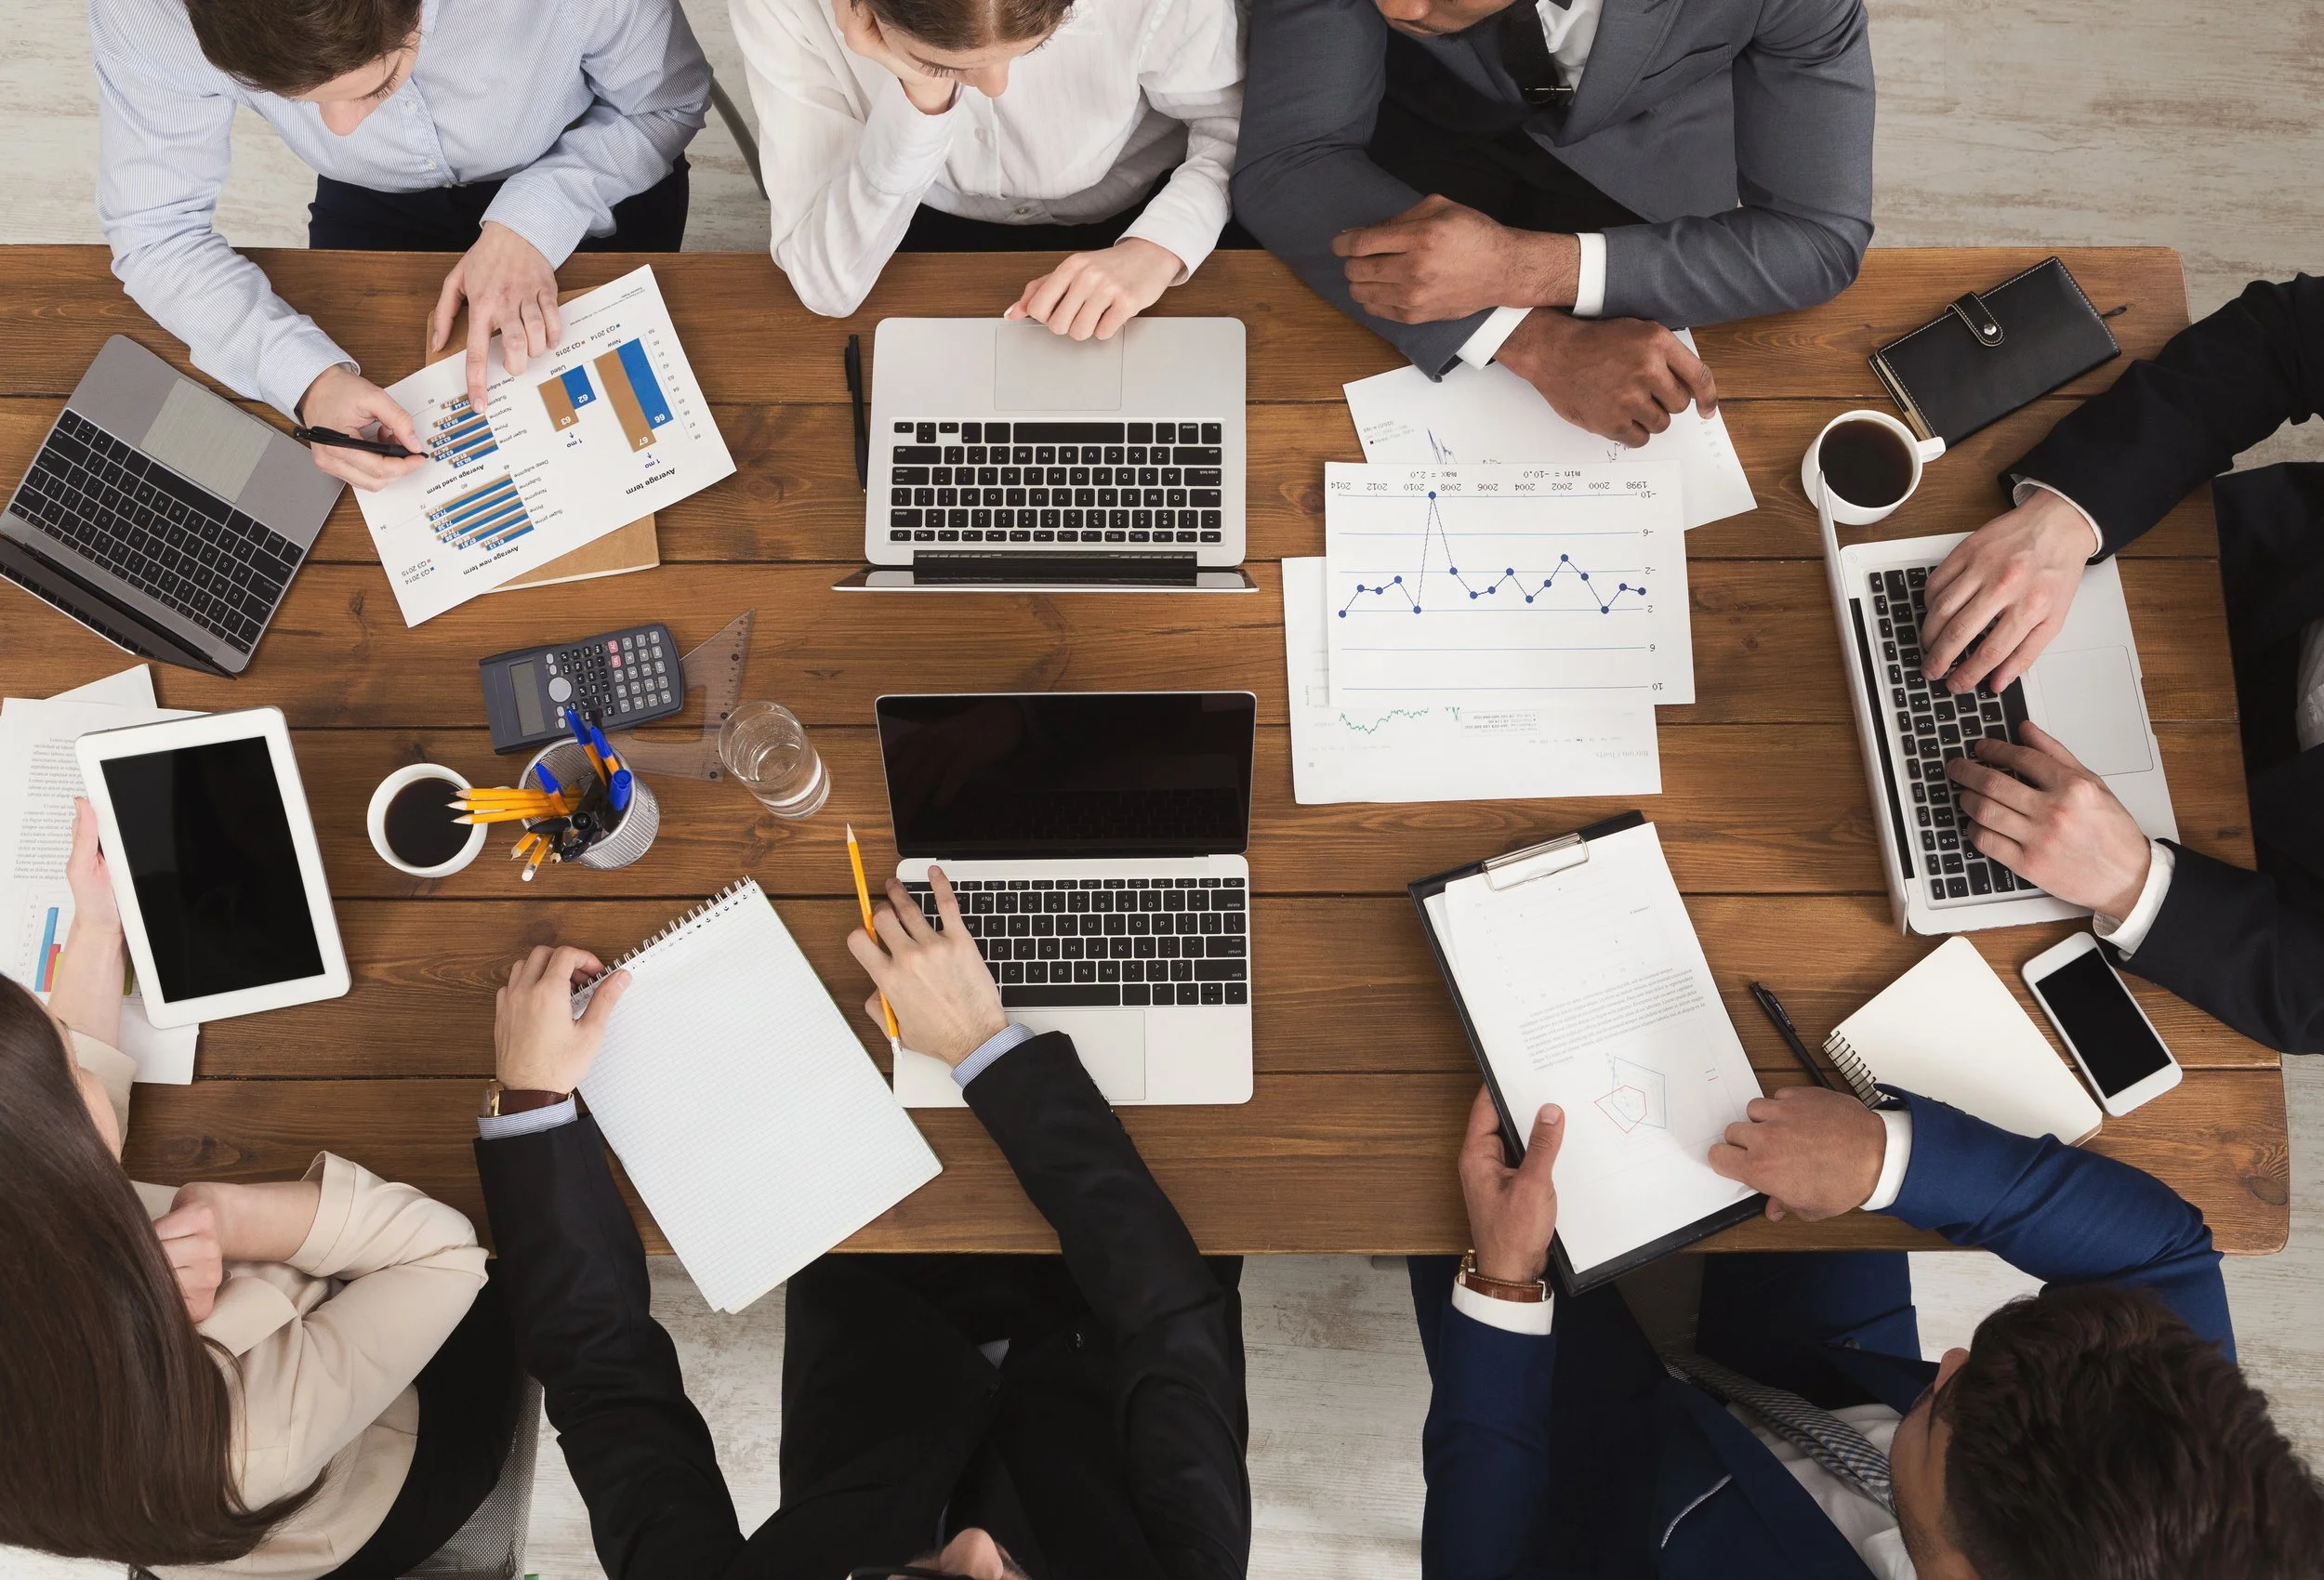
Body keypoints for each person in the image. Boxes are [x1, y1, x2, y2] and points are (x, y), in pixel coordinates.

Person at [471, 864, 1250, 1576]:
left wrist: (532, 1101)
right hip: (1111, 1287)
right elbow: (1172, 1320)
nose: (975, 1547)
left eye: (922, 1578)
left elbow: (603, 1380)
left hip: (865, 1255)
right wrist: (984, 1047)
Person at [1411, 1083, 2324, 1577]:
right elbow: (2162, 1255)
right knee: (1768, 1082)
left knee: (1429, 1152)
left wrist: (1502, 1284)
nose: (1950, 1354)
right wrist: (1885, 1160)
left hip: (1609, 1492)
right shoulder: (2212, 1514)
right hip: (1822, 1373)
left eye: (1949, 1398)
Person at [0, 803, 511, 1579]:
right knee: (509, 1272)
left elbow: (53, 1106)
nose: (73, 1048)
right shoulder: (240, 1439)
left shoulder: (27, 1244)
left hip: (207, 1445)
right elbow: (445, 1253)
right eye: (66, 1067)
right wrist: (224, 1214)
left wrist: (98, 924)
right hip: (379, 1464)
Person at [1916, 276, 2324, 1054]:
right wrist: (2071, 511)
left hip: (2250, 863)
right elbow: (2286, 337)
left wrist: (2137, 888)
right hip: (2224, 571)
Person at [94, 0, 710, 489]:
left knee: (631, 457)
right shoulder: (150, 9)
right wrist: (304, 380)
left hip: (590, 159)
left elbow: (667, 105)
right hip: (375, 203)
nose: (338, 128)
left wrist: (534, 219)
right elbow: (155, 231)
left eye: (377, 85)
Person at [1231, 0, 1876, 445]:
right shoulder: (1396, 13)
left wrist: (1523, 268)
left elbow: (1817, 240)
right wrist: (1533, 341)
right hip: (1404, 133)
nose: (1399, 8)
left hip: (1646, 163)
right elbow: (1291, 161)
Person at [730, 0, 1244, 335]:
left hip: (1143, 213)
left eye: (1037, 46)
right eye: (940, 61)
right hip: (910, 226)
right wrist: (923, 95)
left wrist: (1160, 247)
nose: (995, 86)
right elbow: (826, 285)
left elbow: (1229, 123)